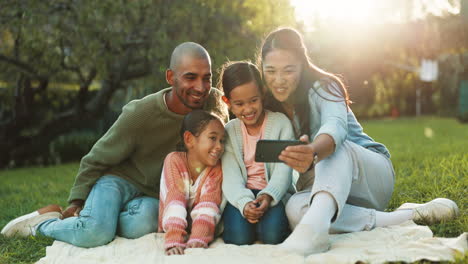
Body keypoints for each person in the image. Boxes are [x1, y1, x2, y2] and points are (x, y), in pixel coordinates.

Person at [1, 42, 229, 248]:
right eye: (190, 77)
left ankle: (101, 217)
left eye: (206, 77)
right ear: (170, 77)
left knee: (143, 225)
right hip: (118, 181)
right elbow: (97, 157)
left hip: (150, 195)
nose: (200, 87)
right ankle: (45, 223)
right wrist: (76, 202)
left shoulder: (214, 105)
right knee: (96, 233)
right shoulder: (141, 113)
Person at [257, 28, 459, 256]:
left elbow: (334, 128)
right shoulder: (266, 105)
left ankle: (313, 234)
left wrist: (313, 150)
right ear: (262, 69)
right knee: (295, 209)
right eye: (270, 71)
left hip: (368, 177)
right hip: (325, 192)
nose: (279, 80)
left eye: (288, 70)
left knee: (333, 149)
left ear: (302, 66)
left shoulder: (324, 87)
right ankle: (409, 216)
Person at [219, 61, 293, 245]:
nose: (248, 109)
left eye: (253, 100)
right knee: (239, 238)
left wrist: (267, 195)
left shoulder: (280, 124)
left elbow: (284, 171)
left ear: (263, 93)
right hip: (241, 194)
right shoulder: (228, 131)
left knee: (273, 235)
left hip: (271, 193)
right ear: (227, 102)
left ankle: (263, 225)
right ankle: (250, 225)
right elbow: (230, 175)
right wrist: (244, 203)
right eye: (239, 104)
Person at [159, 110, 224, 255]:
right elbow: (175, 199)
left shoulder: (216, 168)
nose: (219, 146)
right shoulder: (174, 161)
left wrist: (198, 238)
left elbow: (209, 203)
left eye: (222, 140)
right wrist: (174, 239)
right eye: (213, 138)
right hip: (172, 224)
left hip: (201, 226)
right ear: (189, 139)